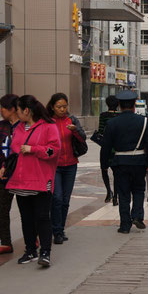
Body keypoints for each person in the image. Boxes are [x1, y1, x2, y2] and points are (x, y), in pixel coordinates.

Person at [1, 95, 60, 267]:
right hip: (20, 181)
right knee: (26, 218)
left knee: (42, 217)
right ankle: (30, 251)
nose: (17, 113)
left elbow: (54, 151)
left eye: (18, 110)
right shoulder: (18, 127)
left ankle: (45, 252)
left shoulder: (49, 127)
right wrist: (6, 165)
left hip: (41, 180)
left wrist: (34, 149)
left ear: (27, 110)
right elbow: (14, 149)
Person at [101, 90, 148, 234]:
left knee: (123, 193)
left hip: (120, 162)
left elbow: (106, 146)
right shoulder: (143, 121)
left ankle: (125, 225)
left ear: (119, 105)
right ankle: (137, 216)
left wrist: (104, 165)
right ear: (134, 105)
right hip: (139, 161)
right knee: (138, 190)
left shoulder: (112, 123)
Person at [47, 93, 86, 245]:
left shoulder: (72, 120)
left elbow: (83, 139)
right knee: (56, 198)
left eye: (64, 106)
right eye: (59, 107)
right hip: (54, 165)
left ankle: (60, 229)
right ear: (52, 107)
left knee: (65, 200)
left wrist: (75, 130)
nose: (62, 109)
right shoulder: (48, 122)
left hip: (70, 164)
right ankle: (56, 230)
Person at [0, 94, 19, 254]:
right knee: (2, 208)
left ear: (13, 109)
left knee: (27, 208)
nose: (1, 111)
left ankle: (32, 237)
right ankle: (5, 242)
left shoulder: (24, 126)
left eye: (3, 108)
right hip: (4, 175)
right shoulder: (1, 126)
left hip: (22, 174)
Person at [98, 95, 120, 205]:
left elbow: (101, 131)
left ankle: (108, 191)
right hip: (117, 149)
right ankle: (116, 196)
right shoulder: (120, 116)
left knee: (104, 170)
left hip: (106, 147)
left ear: (107, 104)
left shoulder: (103, 115)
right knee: (117, 173)